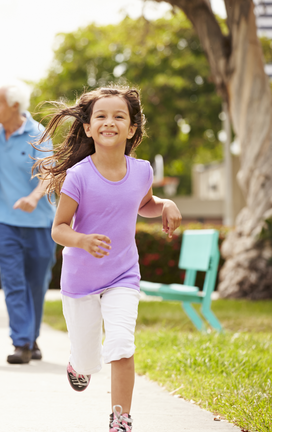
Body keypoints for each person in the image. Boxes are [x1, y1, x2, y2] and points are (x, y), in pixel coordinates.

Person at [33, 85, 182, 431]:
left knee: (120, 343)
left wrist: (165, 204)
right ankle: (77, 364)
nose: (109, 122)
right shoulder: (79, 176)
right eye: (101, 116)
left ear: (132, 129)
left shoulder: (142, 170)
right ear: (88, 127)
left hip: (123, 275)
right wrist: (82, 240)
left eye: (119, 116)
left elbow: (143, 203)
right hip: (81, 280)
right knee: (88, 359)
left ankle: (121, 419)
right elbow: (59, 228)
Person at [0, 84, 56, 364]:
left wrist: (34, 197)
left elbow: (49, 174)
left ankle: (32, 336)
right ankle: (22, 343)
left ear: (14, 106)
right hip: (4, 222)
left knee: (36, 285)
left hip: (39, 223)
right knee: (14, 284)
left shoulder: (38, 134)